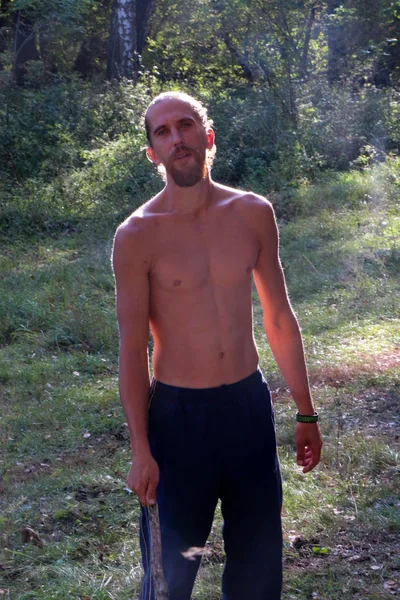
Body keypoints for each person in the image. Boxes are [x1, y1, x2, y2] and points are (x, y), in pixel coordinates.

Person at [112, 91, 322, 600]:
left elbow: (277, 316)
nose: (175, 138)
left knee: (257, 565)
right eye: (162, 132)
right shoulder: (136, 234)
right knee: (169, 574)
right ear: (152, 154)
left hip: (247, 407)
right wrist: (141, 449)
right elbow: (132, 349)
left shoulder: (252, 212)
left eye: (185, 126)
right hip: (179, 419)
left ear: (208, 138)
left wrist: (306, 411)